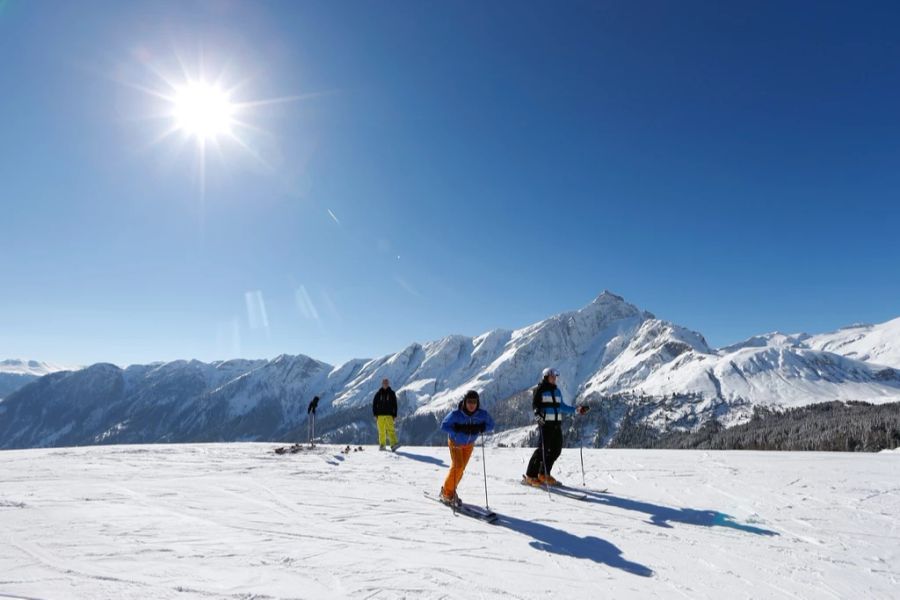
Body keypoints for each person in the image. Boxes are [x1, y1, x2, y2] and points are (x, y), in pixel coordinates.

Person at [523, 367, 589, 487]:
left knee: (556, 450)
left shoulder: (557, 391)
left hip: (556, 425)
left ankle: (543, 474)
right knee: (541, 450)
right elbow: (535, 405)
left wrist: (577, 410)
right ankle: (530, 475)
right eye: (552, 376)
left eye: (555, 377)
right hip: (546, 425)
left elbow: (562, 406)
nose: (554, 379)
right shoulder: (540, 389)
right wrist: (538, 415)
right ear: (546, 377)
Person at [438, 390, 495, 506]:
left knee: (461, 469)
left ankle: (450, 490)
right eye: (469, 402)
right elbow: (444, 426)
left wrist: (481, 427)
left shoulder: (481, 414)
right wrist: (457, 429)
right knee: (457, 466)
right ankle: (446, 493)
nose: (471, 405)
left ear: (477, 403)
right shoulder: (456, 414)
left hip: (469, 445)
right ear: (465, 402)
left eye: (474, 402)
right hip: (455, 443)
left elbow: (491, 425)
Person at [372, 378, 400, 451]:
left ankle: (393, 444)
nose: (385, 384)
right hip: (380, 415)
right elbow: (374, 404)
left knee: (391, 430)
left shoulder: (392, 393)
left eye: (386, 383)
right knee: (381, 431)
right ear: (382, 384)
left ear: (388, 384)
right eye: (384, 383)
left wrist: (394, 415)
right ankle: (382, 445)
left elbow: (395, 405)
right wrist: (375, 414)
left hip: (389, 415)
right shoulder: (378, 394)